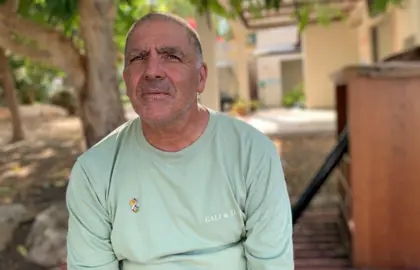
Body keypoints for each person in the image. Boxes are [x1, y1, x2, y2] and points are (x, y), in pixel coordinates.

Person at [65, 12, 294, 270]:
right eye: (138, 58)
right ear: (126, 78)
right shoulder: (93, 172)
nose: (152, 71)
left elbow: (272, 264)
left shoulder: (253, 154)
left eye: (171, 56)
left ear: (201, 77)